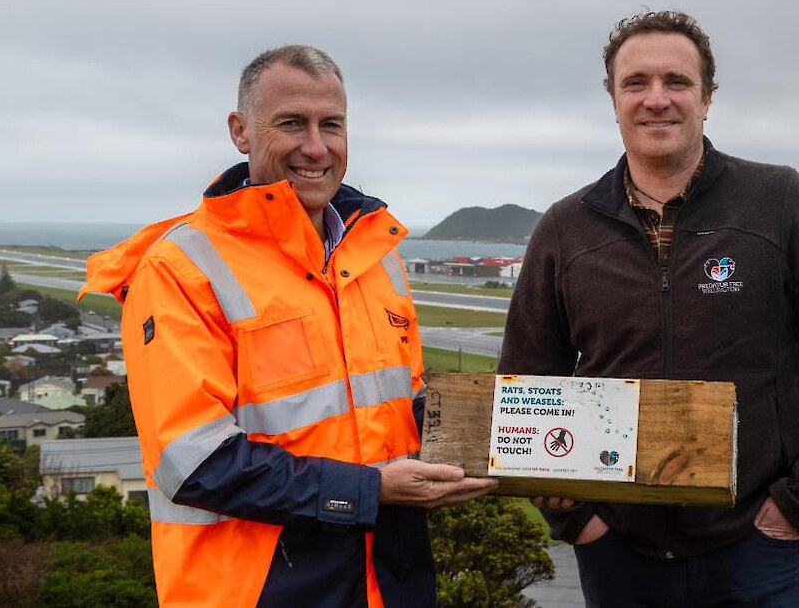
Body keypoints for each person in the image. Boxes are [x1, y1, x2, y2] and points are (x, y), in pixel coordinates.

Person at [498, 11, 799, 607]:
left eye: (677, 82)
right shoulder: (566, 228)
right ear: (613, 100)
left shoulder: (779, 202)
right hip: (619, 554)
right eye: (635, 83)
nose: (656, 99)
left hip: (760, 549)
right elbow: (525, 388)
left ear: (707, 98)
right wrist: (578, 520)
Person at [81, 45, 496, 608]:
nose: (316, 147)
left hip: (391, 577)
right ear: (240, 131)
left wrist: (515, 448)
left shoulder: (375, 254)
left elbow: (403, 408)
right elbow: (193, 462)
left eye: (332, 125)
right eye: (291, 124)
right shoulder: (181, 267)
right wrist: (371, 491)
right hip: (259, 587)